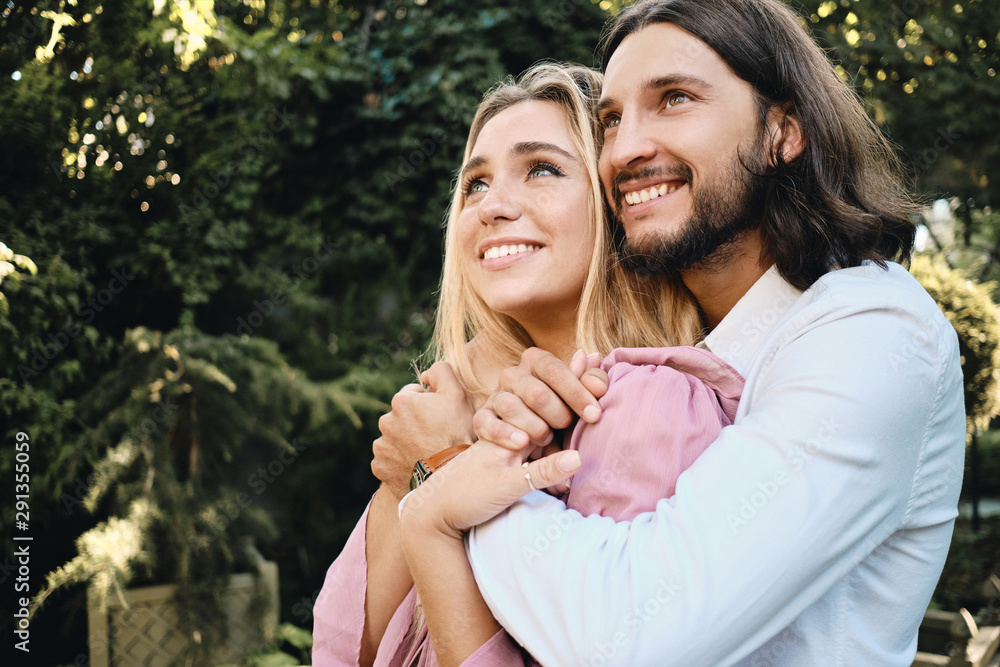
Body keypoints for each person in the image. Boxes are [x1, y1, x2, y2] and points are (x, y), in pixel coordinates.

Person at [389, 1, 968, 665]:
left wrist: (459, 465)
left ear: (785, 130)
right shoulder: (651, 366)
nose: (626, 149)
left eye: (674, 99)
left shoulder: (870, 333)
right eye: (611, 120)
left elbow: (634, 637)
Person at [312, 62, 745, 666]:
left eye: (541, 169)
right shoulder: (461, 405)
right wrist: (403, 478)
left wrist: (442, 465)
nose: (492, 206)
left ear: (616, 202)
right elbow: (347, 652)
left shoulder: (653, 403)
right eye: (476, 184)